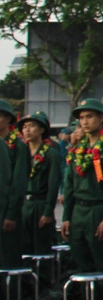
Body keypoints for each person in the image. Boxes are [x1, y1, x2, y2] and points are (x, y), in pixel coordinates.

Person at [61, 98, 103, 275]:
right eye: (81, 118)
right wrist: (66, 217)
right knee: (81, 264)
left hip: (98, 210)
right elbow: (69, 185)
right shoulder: (78, 148)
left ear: (101, 118)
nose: (85, 122)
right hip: (78, 211)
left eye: (89, 116)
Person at [17, 111, 60, 262]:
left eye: (32, 126)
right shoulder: (20, 152)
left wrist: (47, 211)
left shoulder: (50, 154)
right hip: (23, 205)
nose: (27, 130)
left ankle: (43, 282)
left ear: (41, 130)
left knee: (41, 249)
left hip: (40, 204)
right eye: (25, 127)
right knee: (23, 247)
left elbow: (53, 184)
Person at [0, 100, 21, 268]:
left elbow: (14, 183)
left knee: (7, 261)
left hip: (5, 208)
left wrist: (11, 213)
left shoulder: (15, 146)